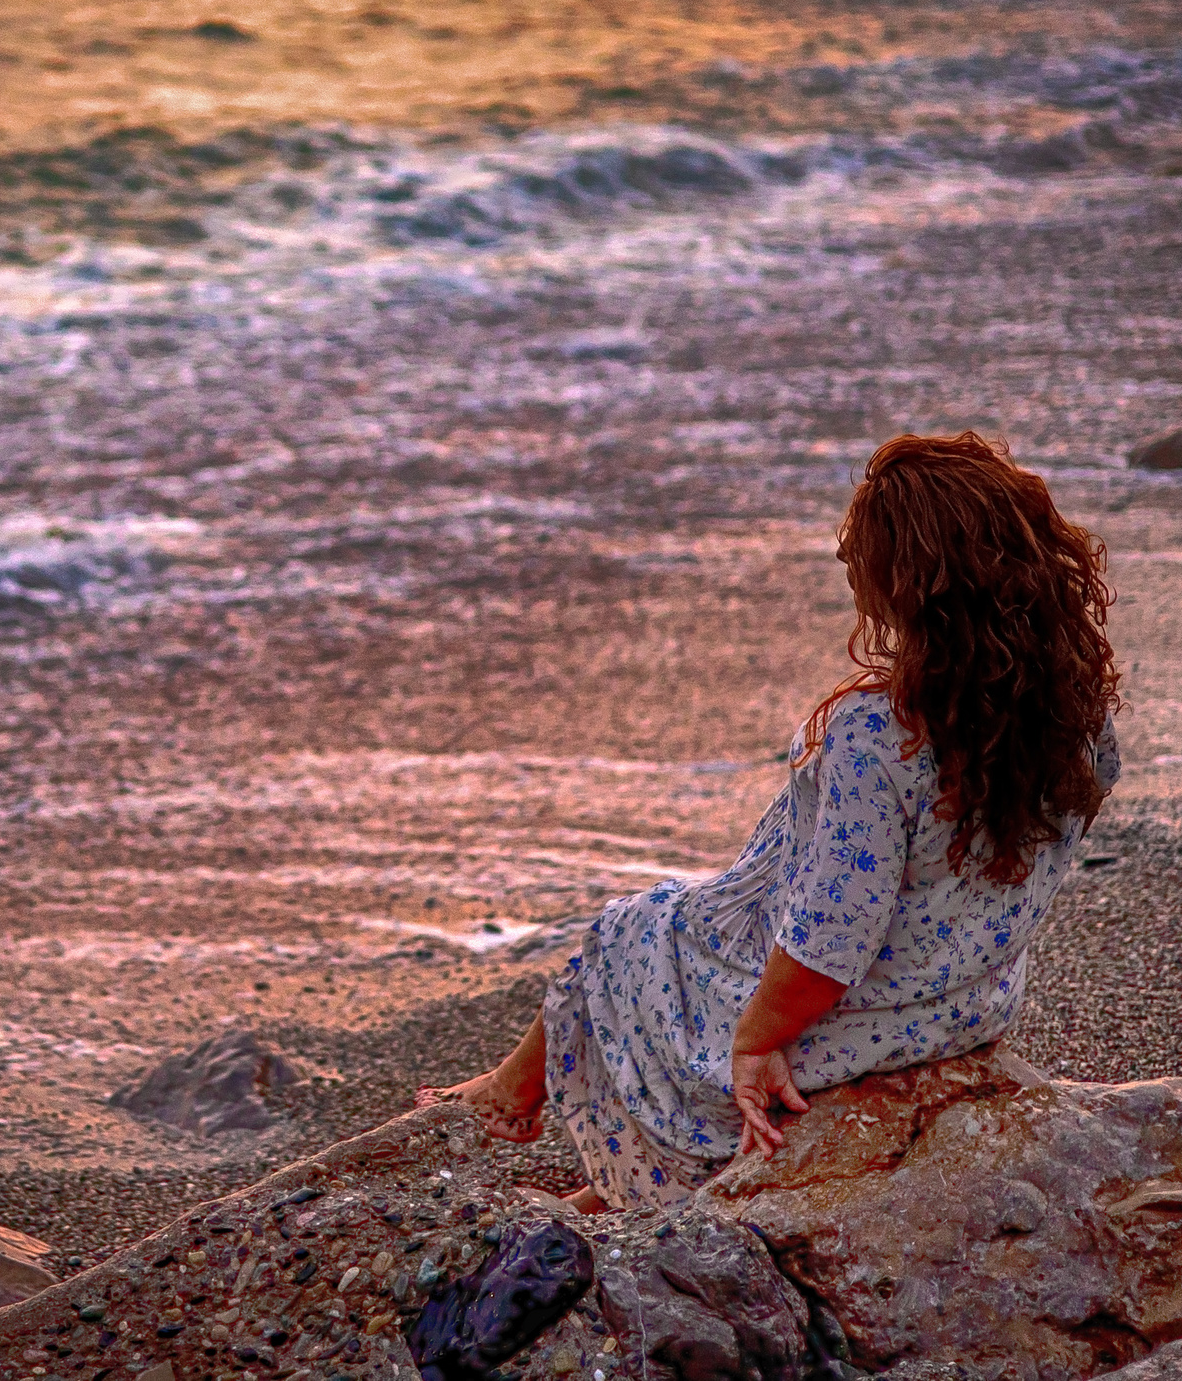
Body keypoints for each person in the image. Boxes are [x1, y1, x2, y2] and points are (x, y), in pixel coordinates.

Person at [422, 432, 1122, 1210]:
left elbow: (829, 942)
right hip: (965, 1001)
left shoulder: (880, 737)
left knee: (631, 932)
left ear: (909, 589)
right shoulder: (1078, 715)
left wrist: (757, 1040)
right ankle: (573, 1158)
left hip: (864, 1012)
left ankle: (519, 1099)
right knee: (673, 930)